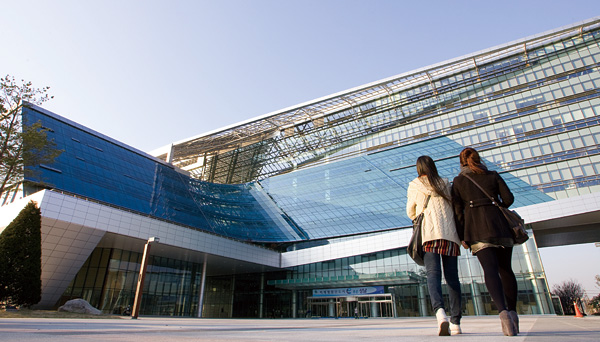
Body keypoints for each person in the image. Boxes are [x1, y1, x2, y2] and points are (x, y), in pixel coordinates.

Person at [451, 147, 519, 336]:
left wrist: (462, 235)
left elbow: (457, 212)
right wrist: (494, 205)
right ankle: (513, 314)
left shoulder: (458, 181)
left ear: (461, 162)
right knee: (506, 270)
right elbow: (508, 199)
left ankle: (503, 314)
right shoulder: (493, 175)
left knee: (490, 271)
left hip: (477, 230)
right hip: (500, 227)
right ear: (478, 159)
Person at [407, 155, 462, 336]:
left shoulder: (415, 185)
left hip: (430, 235)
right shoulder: (445, 183)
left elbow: (410, 212)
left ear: (419, 168)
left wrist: (420, 213)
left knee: (433, 275)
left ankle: (440, 314)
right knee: (452, 278)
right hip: (450, 235)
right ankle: (456, 322)